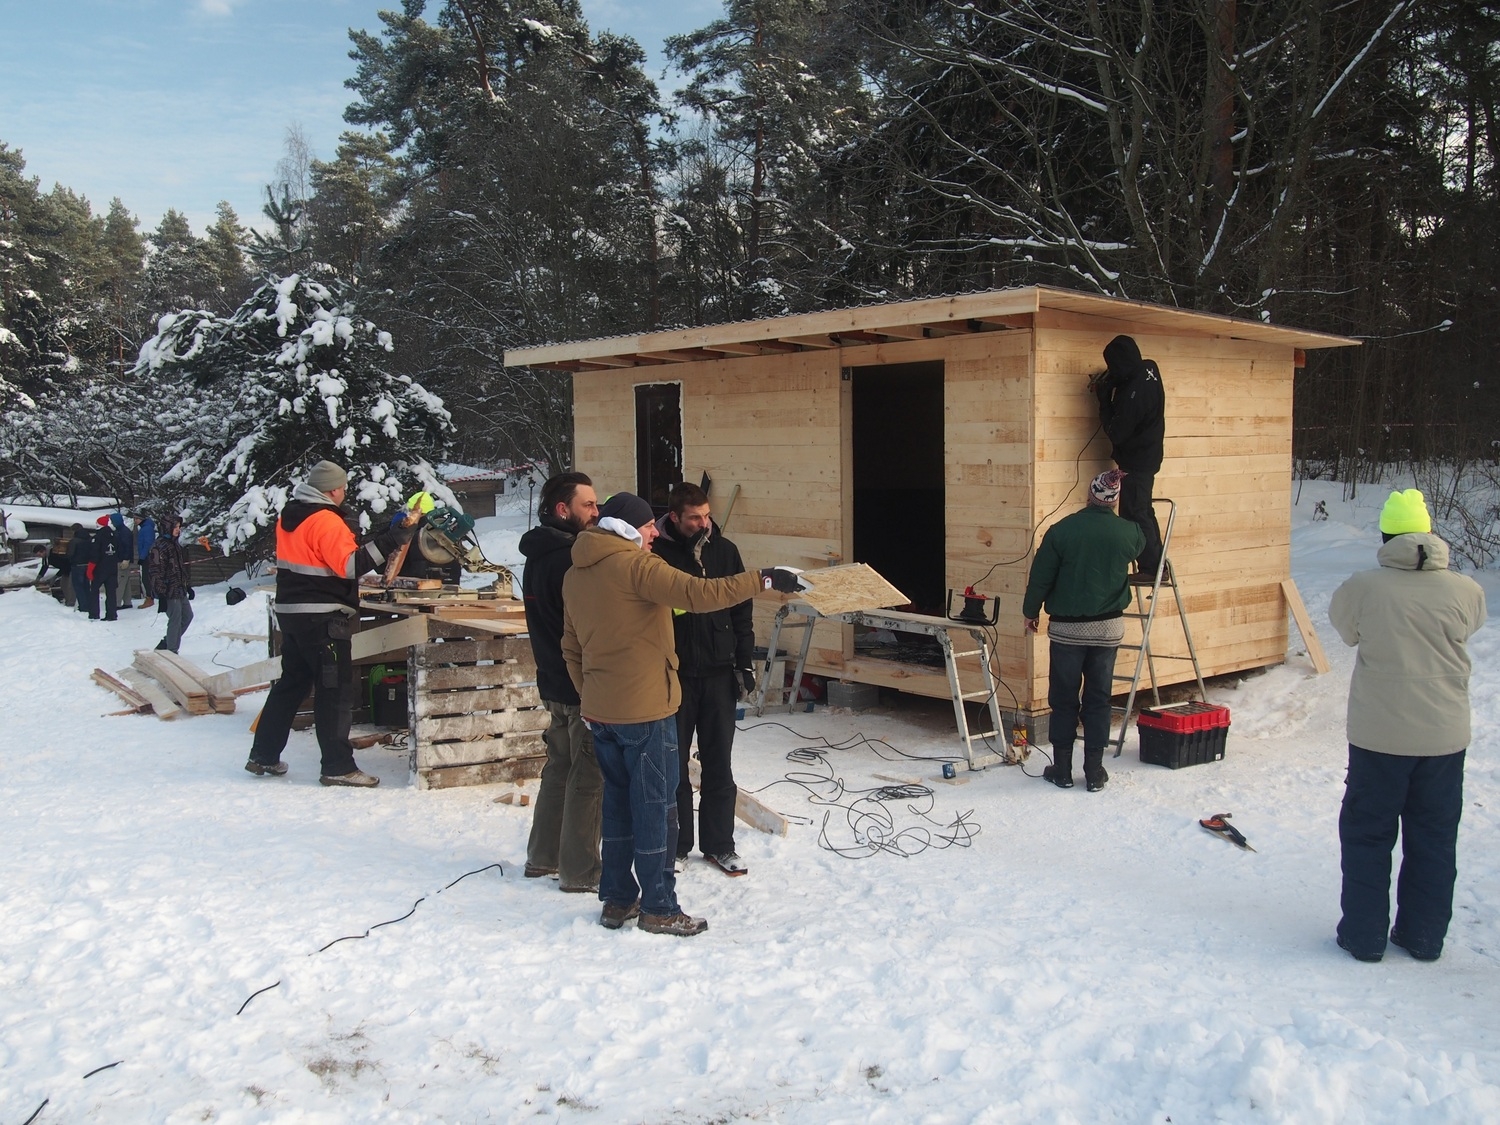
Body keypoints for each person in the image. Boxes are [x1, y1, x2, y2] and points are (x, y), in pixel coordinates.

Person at [561, 491, 797, 936]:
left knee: (617, 807)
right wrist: (764, 579)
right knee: (655, 809)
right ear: (627, 529)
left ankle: (617, 899)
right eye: (647, 526)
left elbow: (570, 648)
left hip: (602, 713)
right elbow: (702, 593)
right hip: (646, 709)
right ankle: (659, 907)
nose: (654, 532)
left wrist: (591, 699)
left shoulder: (577, 572)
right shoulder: (637, 567)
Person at [1328, 489, 1486, 963]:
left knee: (1367, 835)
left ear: (1386, 535)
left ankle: (1364, 935)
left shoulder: (1363, 588)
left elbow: (1346, 630)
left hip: (1379, 737)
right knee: (1434, 838)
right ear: (1430, 534)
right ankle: (1423, 936)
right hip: (1444, 738)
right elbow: (1470, 626)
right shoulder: (1466, 590)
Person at [247, 460, 417, 787]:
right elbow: (350, 564)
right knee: (334, 691)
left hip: (293, 613)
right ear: (334, 489)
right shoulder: (326, 519)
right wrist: (392, 539)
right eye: (343, 489)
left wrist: (382, 536)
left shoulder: (290, 517)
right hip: (323, 616)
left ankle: (263, 754)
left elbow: (327, 555)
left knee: (292, 684)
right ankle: (338, 766)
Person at [652, 481, 755, 877]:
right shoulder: (656, 554)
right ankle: (677, 846)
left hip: (717, 673)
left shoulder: (724, 551)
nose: (704, 522)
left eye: (707, 515)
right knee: (673, 766)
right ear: (674, 517)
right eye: (695, 517)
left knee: (719, 764)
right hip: (673, 674)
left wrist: (744, 662)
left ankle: (719, 845)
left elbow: (741, 611)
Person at [1022, 469, 1144, 792]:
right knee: (1098, 699)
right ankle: (1094, 771)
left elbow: (1041, 577)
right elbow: (1141, 542)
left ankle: (1061, 768)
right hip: (1107, 631)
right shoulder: (1128, 533)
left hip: (1067, 632)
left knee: (1063, 698)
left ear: (1089, 496)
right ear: (1114, 501)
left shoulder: (1061, 531)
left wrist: (1030, 612)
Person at [519, 472, 602, 892]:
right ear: (561, 510)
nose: (596, 512)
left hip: (552, 681)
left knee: (559, 769)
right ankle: (581, 870)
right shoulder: (569, 558)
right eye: (587, 505)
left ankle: (543, 857)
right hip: (576, 685)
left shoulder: (539, 553)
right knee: (588, 777)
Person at [1094, 335, 1166, 579]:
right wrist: (1114, 381)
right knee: (1143, 510)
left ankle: (1150, 568)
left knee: (1134, 513)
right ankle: (1157, 564)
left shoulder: (1133, 397)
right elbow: (1129, 376)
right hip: (1149, 456)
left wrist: (1104, 402)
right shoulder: (1149, 368)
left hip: (1136, 461)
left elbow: (1117, 432)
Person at [146, 514, 194, 653]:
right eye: (175, 527)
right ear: (167, 527)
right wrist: (161, 593)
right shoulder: (159, 546)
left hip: (179, 588)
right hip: (168, 590)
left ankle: (168, 642)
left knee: (187, 616)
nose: (178, 530)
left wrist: (187, 585)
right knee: (175, 619)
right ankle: (172, 650)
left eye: (179, 527)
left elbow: (180, 567)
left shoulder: (175, 544)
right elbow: (155, 571)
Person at [89, 514, 122, 621]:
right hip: (112, 567)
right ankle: (112, 614)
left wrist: (90, 569)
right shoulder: (115, 535)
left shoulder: (97, 537)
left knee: (94, 590)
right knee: (111, 592)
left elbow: (94, 555)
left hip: (100, 568)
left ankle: (94, 613)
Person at [110, 512, 136, 609]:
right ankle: (127, 601)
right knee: (125, 581)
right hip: (122, 559)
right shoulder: (121, 531)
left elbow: (127, 546)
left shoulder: (123, 532)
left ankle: (116, 603)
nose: (111, 523)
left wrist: (126, 559)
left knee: (120, 582)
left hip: (122, 560)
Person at [68, 522, 94, 614]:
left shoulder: (74, 541)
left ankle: (83, 606)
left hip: (77, 565)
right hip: (88, 564)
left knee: (78, 587)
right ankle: (89, 605)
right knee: (86, 586)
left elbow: (70, 554)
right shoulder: (90, 539)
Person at [135, 513, 157, 609]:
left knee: (146, 578)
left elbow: (147, 544)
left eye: (136, 519)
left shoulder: (147, 529)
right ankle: (150, 596)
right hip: (146, 556)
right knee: (146, 578)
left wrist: (142, 557)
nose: (135, 521)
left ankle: (150, 597)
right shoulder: (145, 528)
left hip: (147, 557)